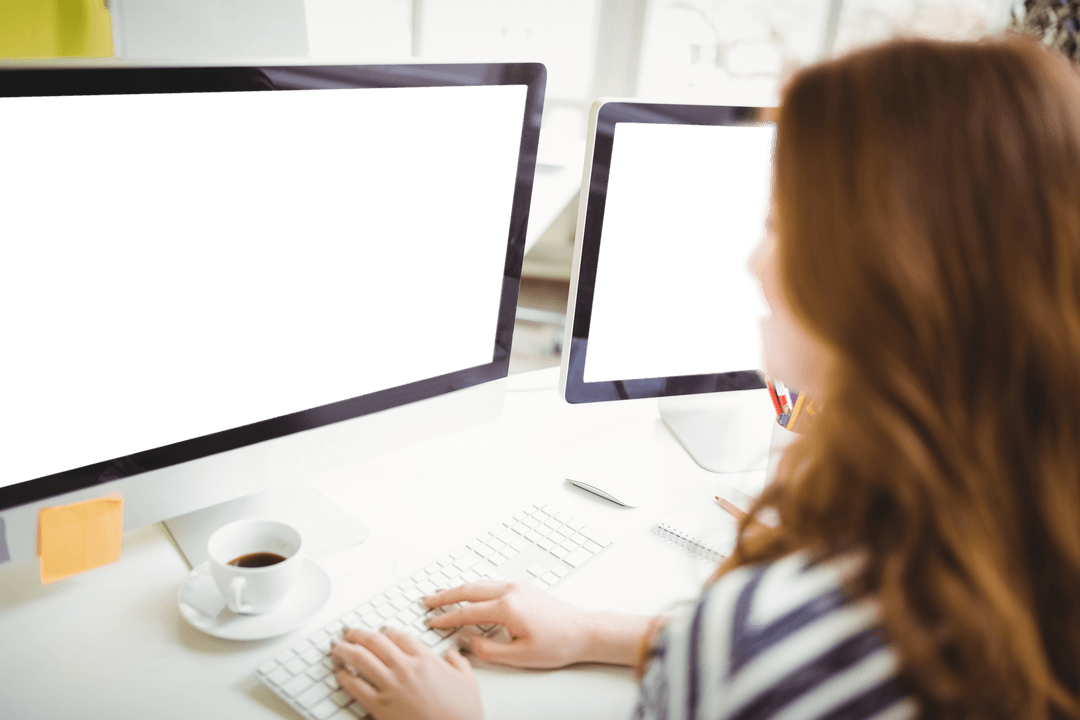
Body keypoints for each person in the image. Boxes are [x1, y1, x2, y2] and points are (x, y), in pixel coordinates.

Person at [328, 29, 1080, 720]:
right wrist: (603, 632)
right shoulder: (1027, 535)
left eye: (779, 224)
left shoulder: (762, 650)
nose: (750, 261)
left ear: (875, 285)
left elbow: (776, 669)